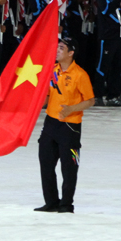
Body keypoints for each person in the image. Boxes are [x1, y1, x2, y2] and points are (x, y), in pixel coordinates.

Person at [35, 37, 94, 213]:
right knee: (46, 163)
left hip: (70, 126)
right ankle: (51, 201)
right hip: (50, 123)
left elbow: (90, 100)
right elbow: (46, 96)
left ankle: (66, 203)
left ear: (71, 53)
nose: (57, 50)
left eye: (61, 48)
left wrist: (72, 109)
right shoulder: (52, 70)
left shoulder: (80, 75)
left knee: (69, 167)